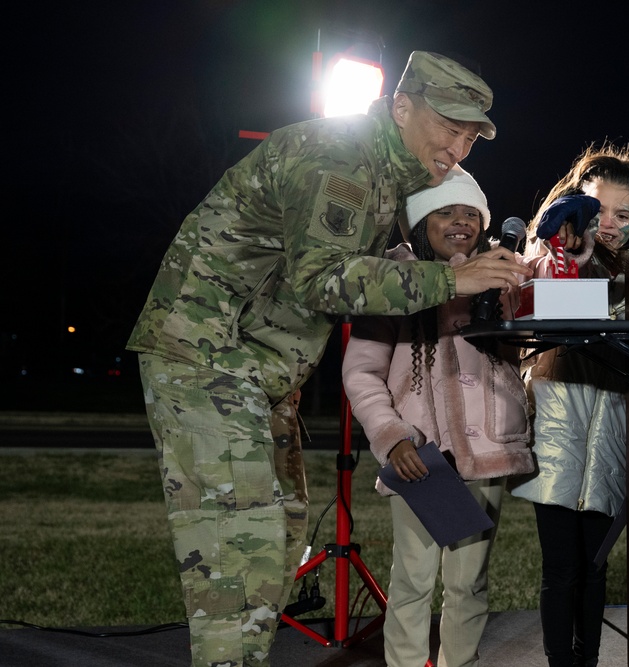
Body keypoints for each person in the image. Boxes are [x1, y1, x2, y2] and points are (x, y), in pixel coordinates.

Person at [125, 50, 531, 667]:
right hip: (207, 355)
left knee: (282, 530)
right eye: (449, 128)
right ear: (401, 108)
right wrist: (452, 280)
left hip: (256, 369)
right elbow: (322, 281)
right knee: (240, 547)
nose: (458, 149)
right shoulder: (339, 158)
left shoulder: (392, 177)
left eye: (470, 138)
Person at [508, 142, 629, 667]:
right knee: (560, 567)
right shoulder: (551, 257)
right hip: (558, 420)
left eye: (623, 215)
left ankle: (585, 660)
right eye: (597, 209)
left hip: (614, 427)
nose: (607, 224)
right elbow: (541, 291)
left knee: (594, 567)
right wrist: (571, 252)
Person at [341, 165, 535, 667]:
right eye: (445, 211)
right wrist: (393, 437)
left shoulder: (501, 276)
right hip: (419, 457)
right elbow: (362, 373)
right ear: (419, 223)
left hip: (485, 450)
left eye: (471, 212)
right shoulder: (389, 284)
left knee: (469, 584)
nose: (460, 221)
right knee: (412, 581)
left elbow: (536, 319)